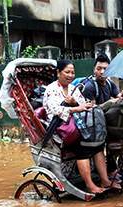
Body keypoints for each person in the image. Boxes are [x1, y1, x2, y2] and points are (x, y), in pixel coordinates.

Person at [43, 59, 113, 194]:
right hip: (60, 127)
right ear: (58, 72)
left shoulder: (72, 88)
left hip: (76, 123)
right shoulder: (51, 89)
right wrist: (77, 107)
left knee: (98, 145)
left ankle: (105, 180)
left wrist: (77, 103)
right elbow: (56, 110)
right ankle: (90, 185)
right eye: (67, 72)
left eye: (72, 72)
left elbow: (82, 104)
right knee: (83, 146)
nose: (70, 75)